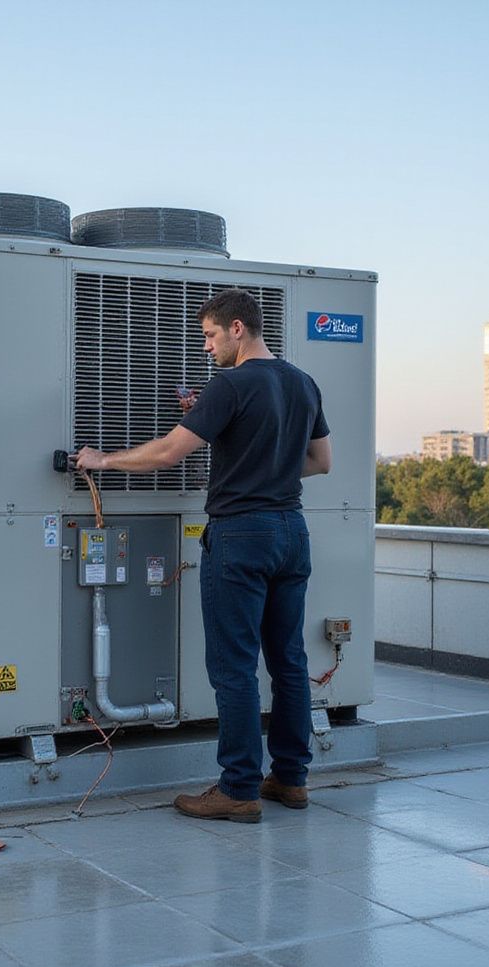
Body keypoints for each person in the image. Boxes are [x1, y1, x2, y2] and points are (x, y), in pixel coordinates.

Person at [75, 288, 331, 823]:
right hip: (291, 530)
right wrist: (263, 463)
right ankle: (290, 778)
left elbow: (169, 452)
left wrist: (102, 459)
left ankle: (238, 788)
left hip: (240, 535)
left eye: (210, 337)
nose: (207, 349)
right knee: (289, 661)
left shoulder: (230, 384)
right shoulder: (302, 382)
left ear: (237, 328)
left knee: (233, 666)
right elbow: (320, 461)